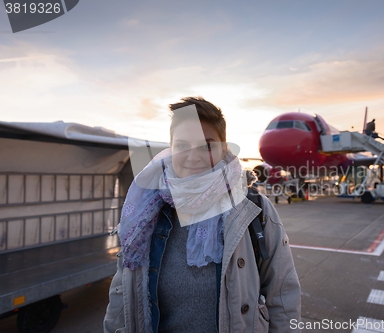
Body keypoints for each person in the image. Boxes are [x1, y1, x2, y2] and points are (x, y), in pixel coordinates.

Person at [103, 97, 301, 333]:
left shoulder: (253, 210)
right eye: (182, 146)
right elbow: (121, 297)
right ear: (171, 148)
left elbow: (283, 295)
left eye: (207, 145)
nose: (194, 157)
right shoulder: (145, 213)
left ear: (224, 148)